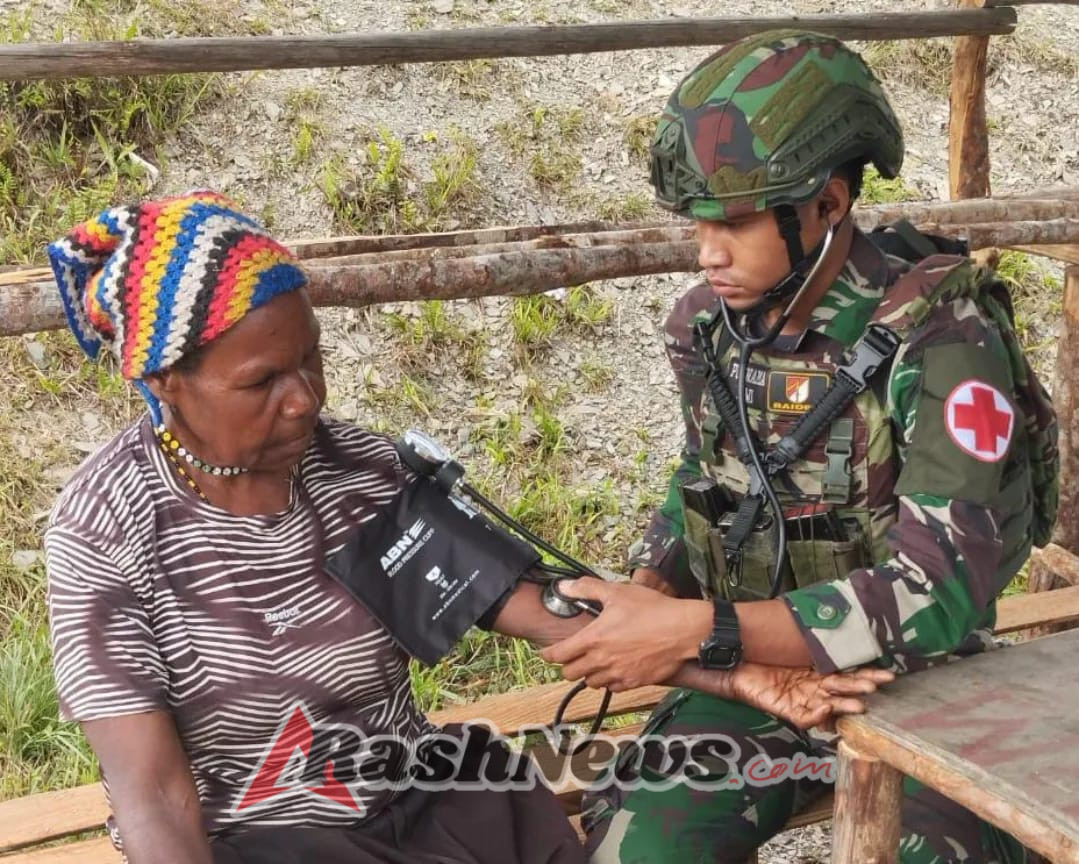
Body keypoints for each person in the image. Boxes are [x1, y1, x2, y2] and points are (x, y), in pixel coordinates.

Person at [43, 190, 892, 864]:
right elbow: (152, 795)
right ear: (166, 383)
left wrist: (735, 675)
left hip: (427, 803)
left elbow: (529, 604)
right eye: (261, 380)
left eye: (311, 359)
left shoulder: (353, 468)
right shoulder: (109, 527)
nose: (303, 397)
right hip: (263, 838)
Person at [537, 29, 1060, 864]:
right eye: (698, 224)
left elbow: (943, 590)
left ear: (828, 203)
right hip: (753, 688)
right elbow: (705, 479)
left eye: (737, 223)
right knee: (637, 851)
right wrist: (646, 583)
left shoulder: (940, 338)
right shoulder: (705, 328)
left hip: (929, 686)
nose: (708, 253)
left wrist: (696, 631)